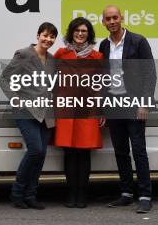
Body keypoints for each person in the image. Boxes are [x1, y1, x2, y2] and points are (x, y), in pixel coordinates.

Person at [99, 5, 157, 214]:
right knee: (121, 151)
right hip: (114, 104)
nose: (112, 21)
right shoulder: (104, 45)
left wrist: (144, 103)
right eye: (108, 18)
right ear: (103, 22)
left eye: (115, 17)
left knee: (138, 151)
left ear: (121, 18)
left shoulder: (138, 41)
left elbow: (150, 73)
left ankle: (145, 196)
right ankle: (126, 193)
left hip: (134, 104)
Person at [0, 22, 58, 209]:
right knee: (35, 151)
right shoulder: (24, 54)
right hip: (26, 112)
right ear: (38, 35)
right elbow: (5, 79)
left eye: (52, 37)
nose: (48, 39)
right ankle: (17, 194)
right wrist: (15, 99)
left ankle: (31, 196)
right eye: (45, 35)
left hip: (46, 113)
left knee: (41, 156)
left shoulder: (52, 59)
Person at [53, 17, 105, 208]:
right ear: (72, 33)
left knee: (83, 153)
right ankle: (71, 193)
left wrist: (101, 110)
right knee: (69, 152)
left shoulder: (97, 57)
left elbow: (101, 86)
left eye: (84, 31)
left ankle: (82, 194)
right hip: (65, 109)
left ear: (89, 34)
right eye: (77, 30)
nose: (80, 34)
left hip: (88, 110)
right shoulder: (60, 54)